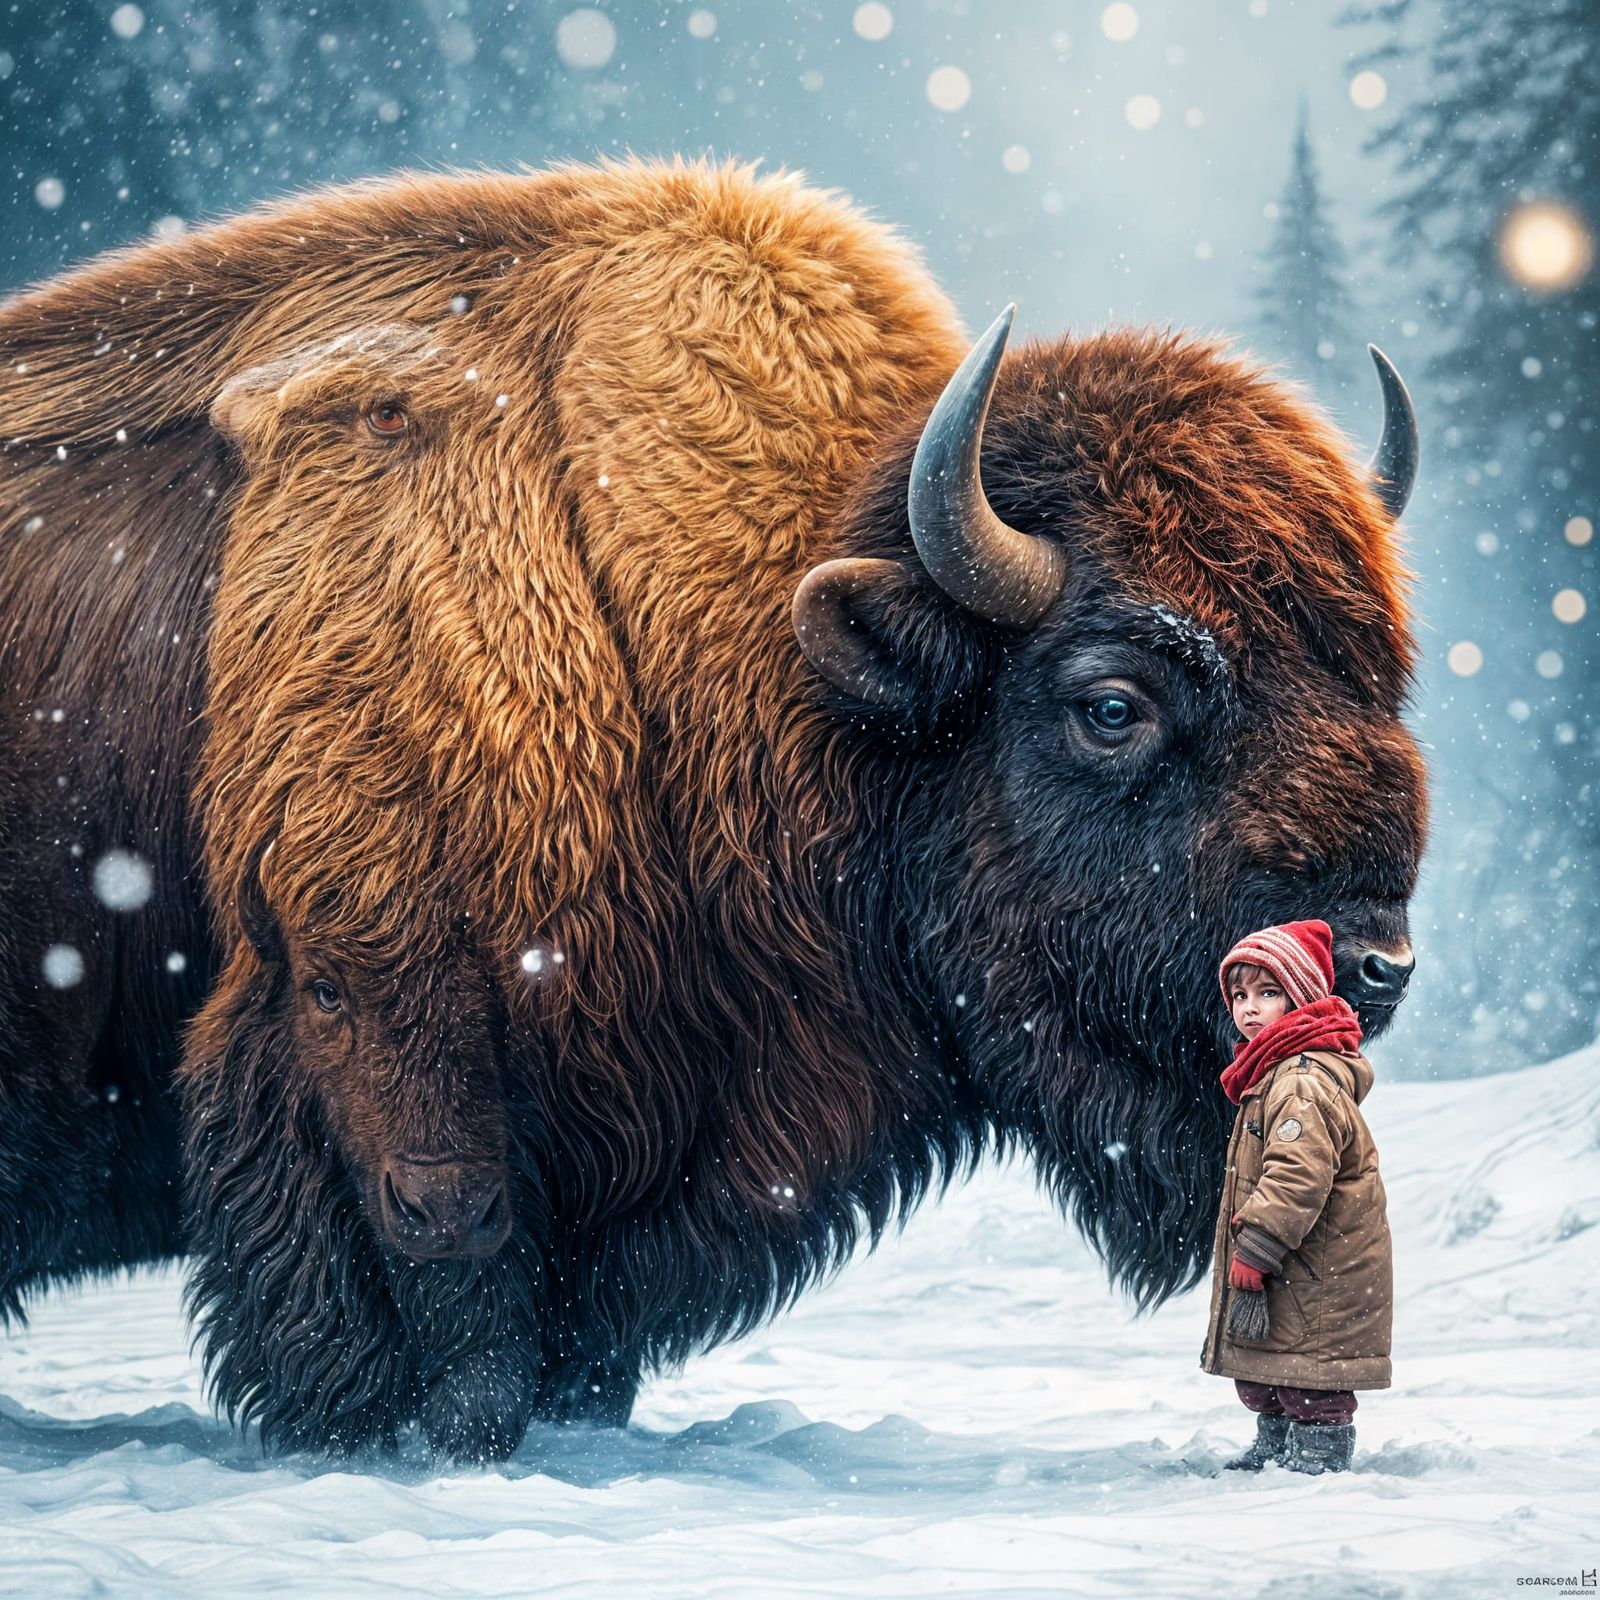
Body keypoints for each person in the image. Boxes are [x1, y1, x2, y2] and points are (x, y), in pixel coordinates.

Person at [1198, 919, 1393, 1475]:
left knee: (1311, 1379)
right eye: (1239, 995)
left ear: (1302, 997)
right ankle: (1276, 1443)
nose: (1249, 1008)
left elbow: (1296, 1176)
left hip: (1315, 1268)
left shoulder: (1301, 1082)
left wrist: (1256, 1244)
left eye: (1268, 992)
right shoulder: (1274, 1073)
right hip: (1300, 1264)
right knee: (1271, 1373)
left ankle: (1319, 1456)